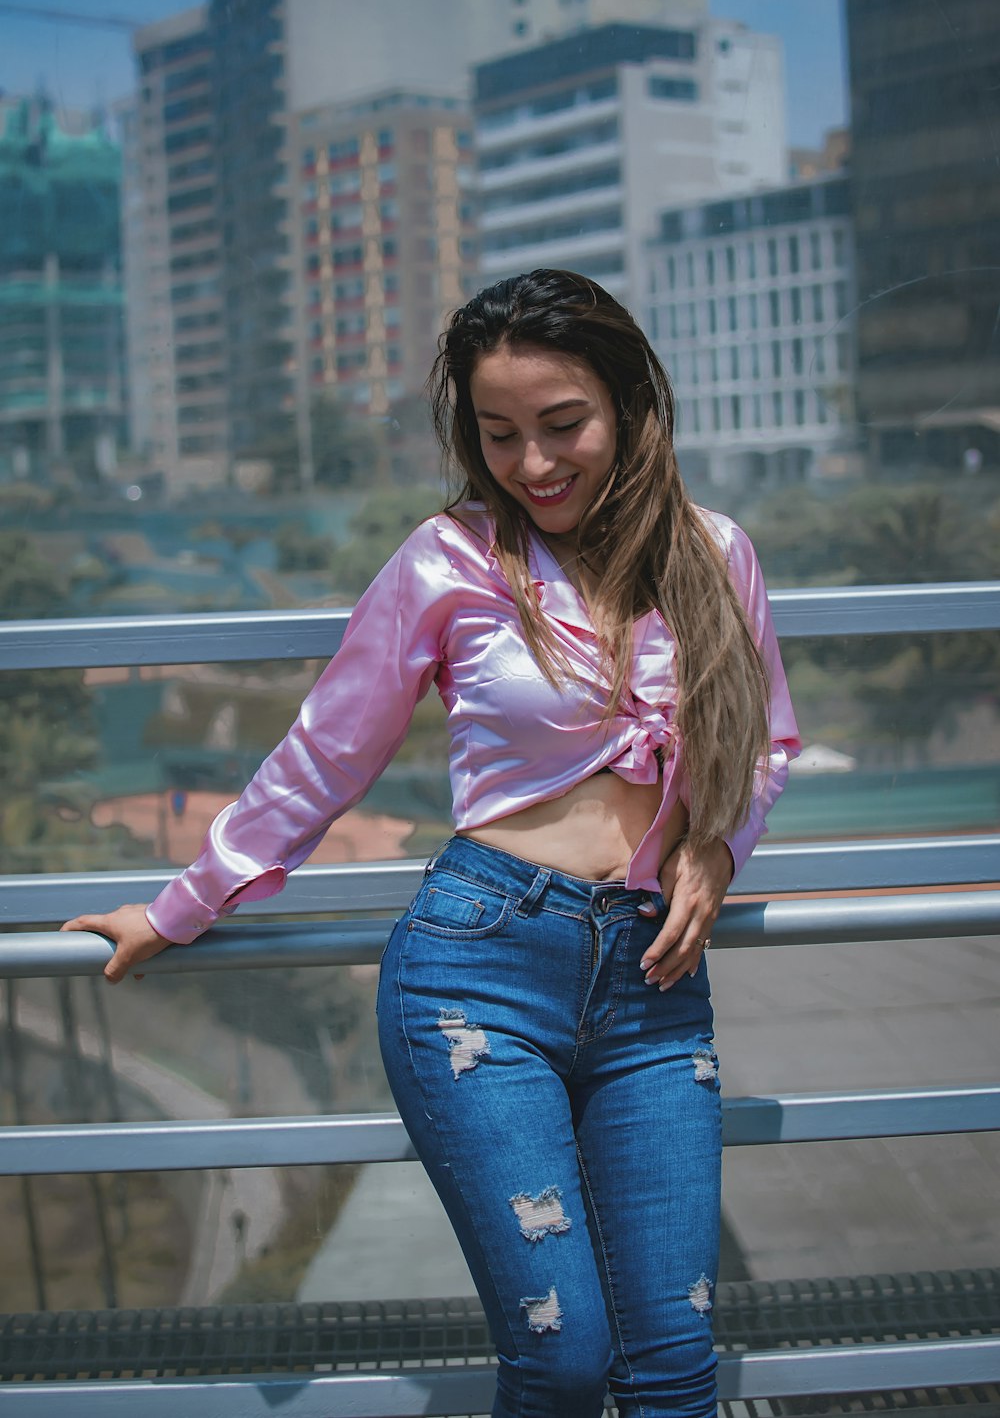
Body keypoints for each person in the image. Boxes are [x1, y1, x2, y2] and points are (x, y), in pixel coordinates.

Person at [64, 269, 800, 1417]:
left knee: (673, 1367)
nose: (534, 465)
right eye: (498, 435)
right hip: (478, 977)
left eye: (564, 426)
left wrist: (714, 847)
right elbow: (324, 753)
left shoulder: (715, 555)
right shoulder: (448, 560)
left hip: (656, 984)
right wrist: (178, 907)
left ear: (631, 406)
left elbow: (765, 743)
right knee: (560, 1358)